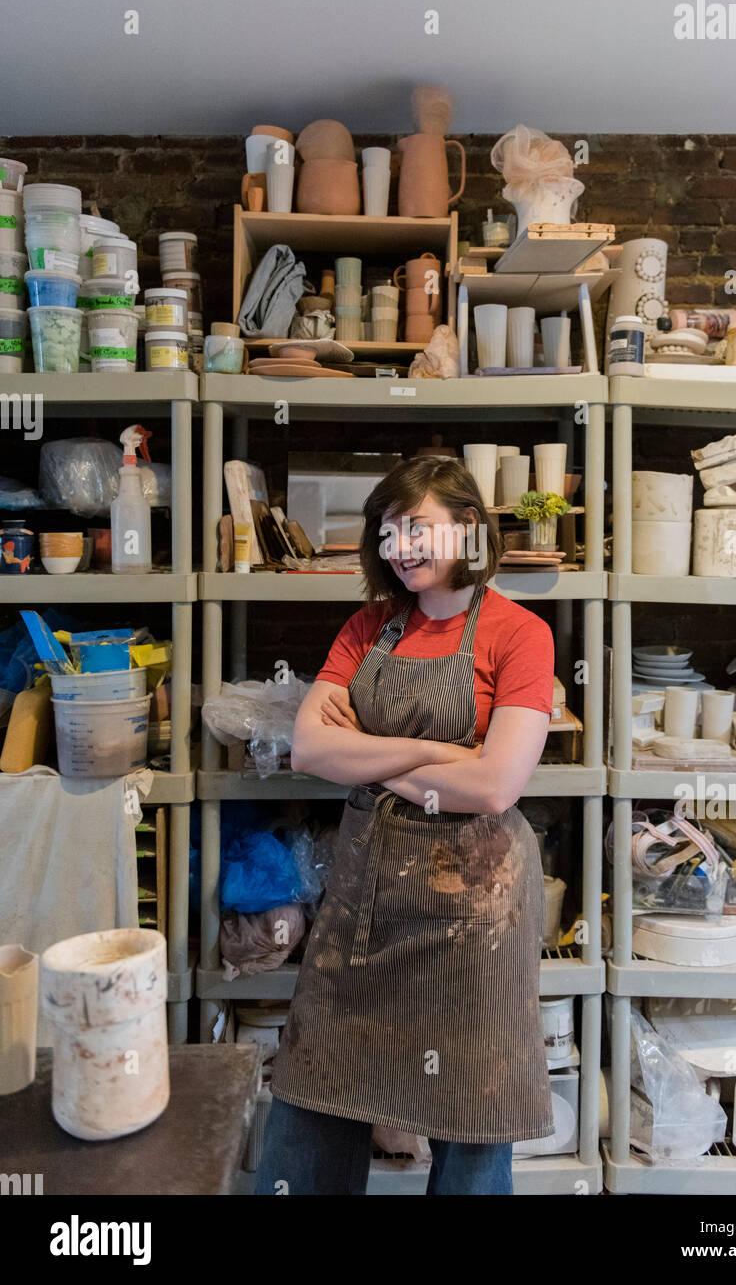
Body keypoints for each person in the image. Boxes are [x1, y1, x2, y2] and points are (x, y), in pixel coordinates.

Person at [257, 455, 555, 1196]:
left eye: (417, 526)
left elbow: (493, 787)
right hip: (365, 905)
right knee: (315, 1093)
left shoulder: (520, 634)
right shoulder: (369, 627)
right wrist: (429, 753)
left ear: (470, 530)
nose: (399, 546)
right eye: (386, 531)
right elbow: (312, 747)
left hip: (474, 917)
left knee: (472, 1118)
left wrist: (367, 758)